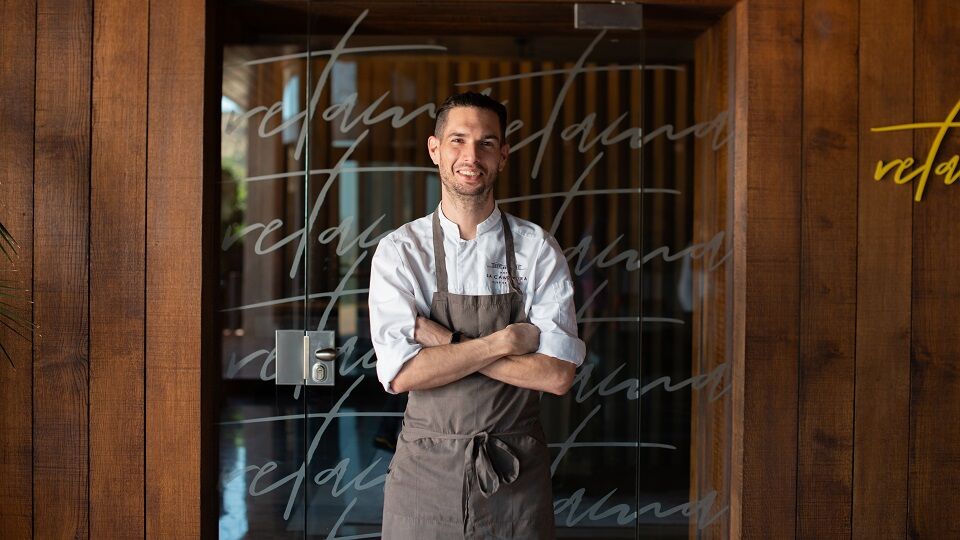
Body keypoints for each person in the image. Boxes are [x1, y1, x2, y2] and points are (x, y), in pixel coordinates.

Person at [369, 91, 586, 539]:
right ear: (435, 149)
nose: (471, 155)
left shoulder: (537, 250)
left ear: (503, 155)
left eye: (487, 143)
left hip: (515, 474)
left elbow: (557, 376)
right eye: (458, 140)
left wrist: (445, 343)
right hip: (424, 473)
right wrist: (503, 341)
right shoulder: (400, 252)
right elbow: (401, 374)